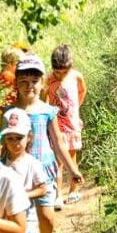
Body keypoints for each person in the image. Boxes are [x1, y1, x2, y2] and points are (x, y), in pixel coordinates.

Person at [2, 53, 82, 233]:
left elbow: (58, 143)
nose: (30, 86)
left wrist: (73, 170)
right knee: (19, 225)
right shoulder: (8, 112)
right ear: (16, 84)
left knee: (47, 219)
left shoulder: (47, 111)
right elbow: (2, 144)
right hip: (17, 176)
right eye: (24, 82)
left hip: (44, 171)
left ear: (42, 82)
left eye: (34, 81)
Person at [0, 108, 48, 233]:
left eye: (19, 138)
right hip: (5, 216)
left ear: (29, 137)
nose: (15, 143)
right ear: (4, 139)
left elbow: (42, 189)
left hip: (27, 215)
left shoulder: (32, 164)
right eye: (10, 138)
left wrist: (22, 195)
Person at [43, 44, 88, 206]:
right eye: (58, 72)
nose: (61, 76)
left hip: (72, 123)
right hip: (56, 125)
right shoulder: (49, 79)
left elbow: (82, 90)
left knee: (71, 156)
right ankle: (57, 195)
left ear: (71, 66)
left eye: (64, 72)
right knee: (57, 160)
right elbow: (44, 97)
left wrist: (77, 108)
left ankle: (73, 190)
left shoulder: (76, 76)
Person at [0, 44, 24, 111]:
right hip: (10, 108)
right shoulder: (9, 76)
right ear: (10, 64)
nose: (21, 67)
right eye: (18, 64)